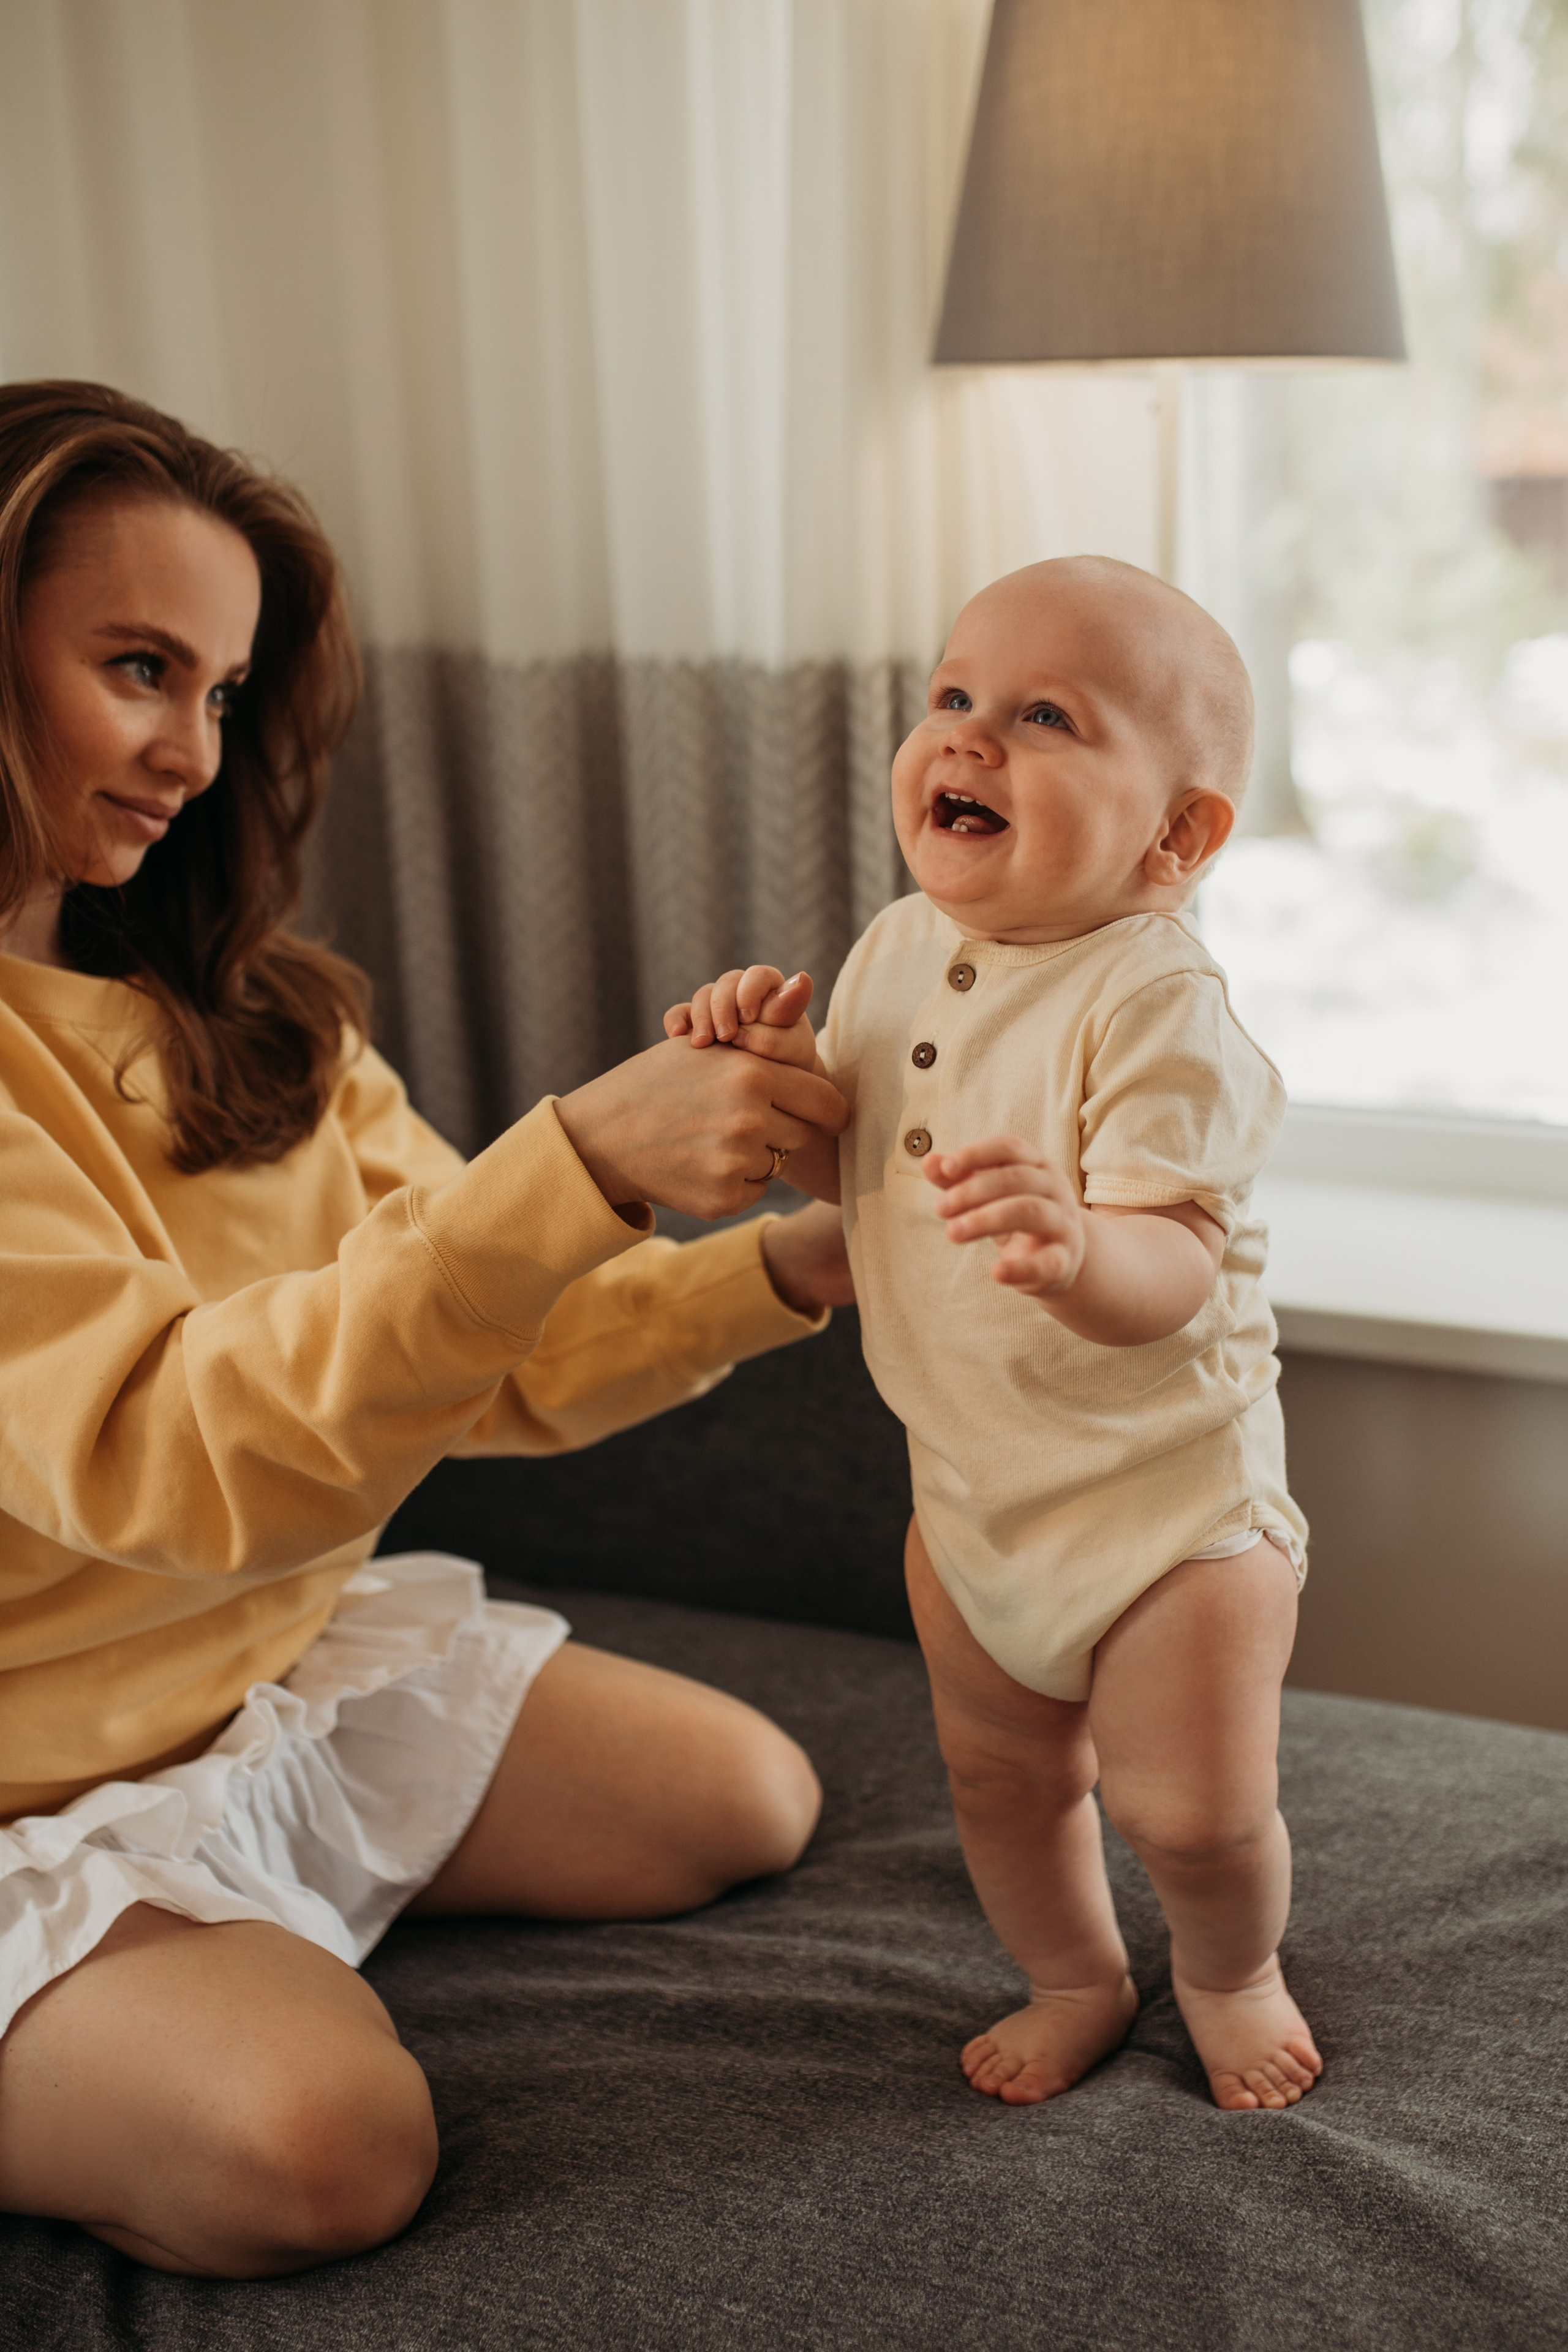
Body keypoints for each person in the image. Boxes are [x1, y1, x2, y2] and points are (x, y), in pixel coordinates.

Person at [0, 380, 853, 2278]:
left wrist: (795, 1266)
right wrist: (578, 1157)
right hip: (19, 1787)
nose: (189, 752)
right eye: (137, 667)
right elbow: (168, 1448)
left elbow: (504, 1349)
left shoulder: (244, 1012)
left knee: (747, 1798)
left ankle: (220, 1929)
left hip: (242, 1688)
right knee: (320, 2153)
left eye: (221, 693)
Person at [666, 556, 1321, 2117]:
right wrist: (770, 1088)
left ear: (1178, 835)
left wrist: (1074, 1246)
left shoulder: (1156, 1003)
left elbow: (1172, 1261)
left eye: (1042, 717)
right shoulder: (898, 948)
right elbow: (864, 1173)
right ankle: (1073, 1976)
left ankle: (1229, 1971)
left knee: (1191, 1813)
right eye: (952, 696)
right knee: (1004, 1780)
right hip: (968, 1490)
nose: (965, 739)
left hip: (1165, 1513)